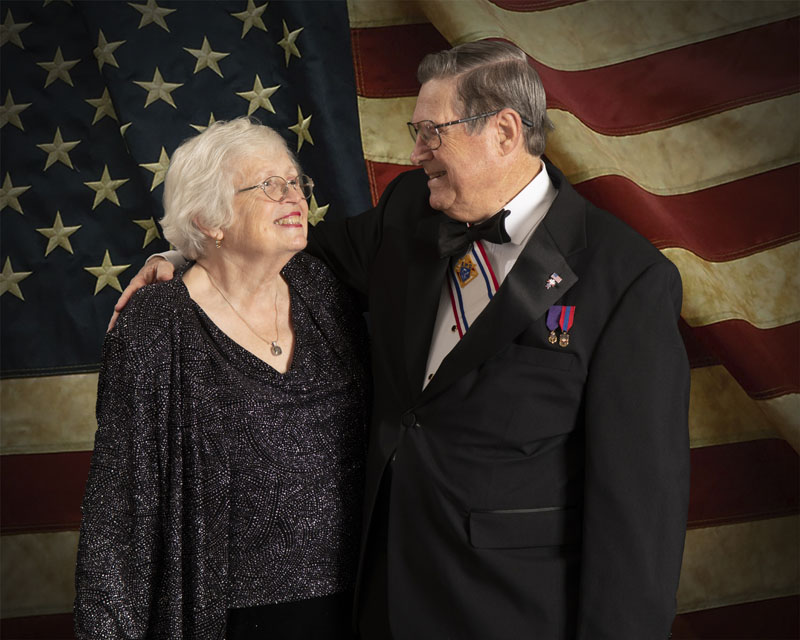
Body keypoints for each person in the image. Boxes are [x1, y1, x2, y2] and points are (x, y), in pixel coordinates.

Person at [115, 41, 690, 639]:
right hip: (380, 601)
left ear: (503, 132)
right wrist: (183, 257)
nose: (416, 153)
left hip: (512, 613)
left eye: (432, 133)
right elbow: (286, 254)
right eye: (417, 133)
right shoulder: (408, 209)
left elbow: (639, 517)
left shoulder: (628, 281)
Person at [75, 118, 370, 639]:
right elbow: (118, 507)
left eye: (295, 181)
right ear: (210, 220)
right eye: (269, 185)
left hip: (358, 604)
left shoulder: (321, 288)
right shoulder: (156, 324)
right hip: (229, 616)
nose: (294, 196)